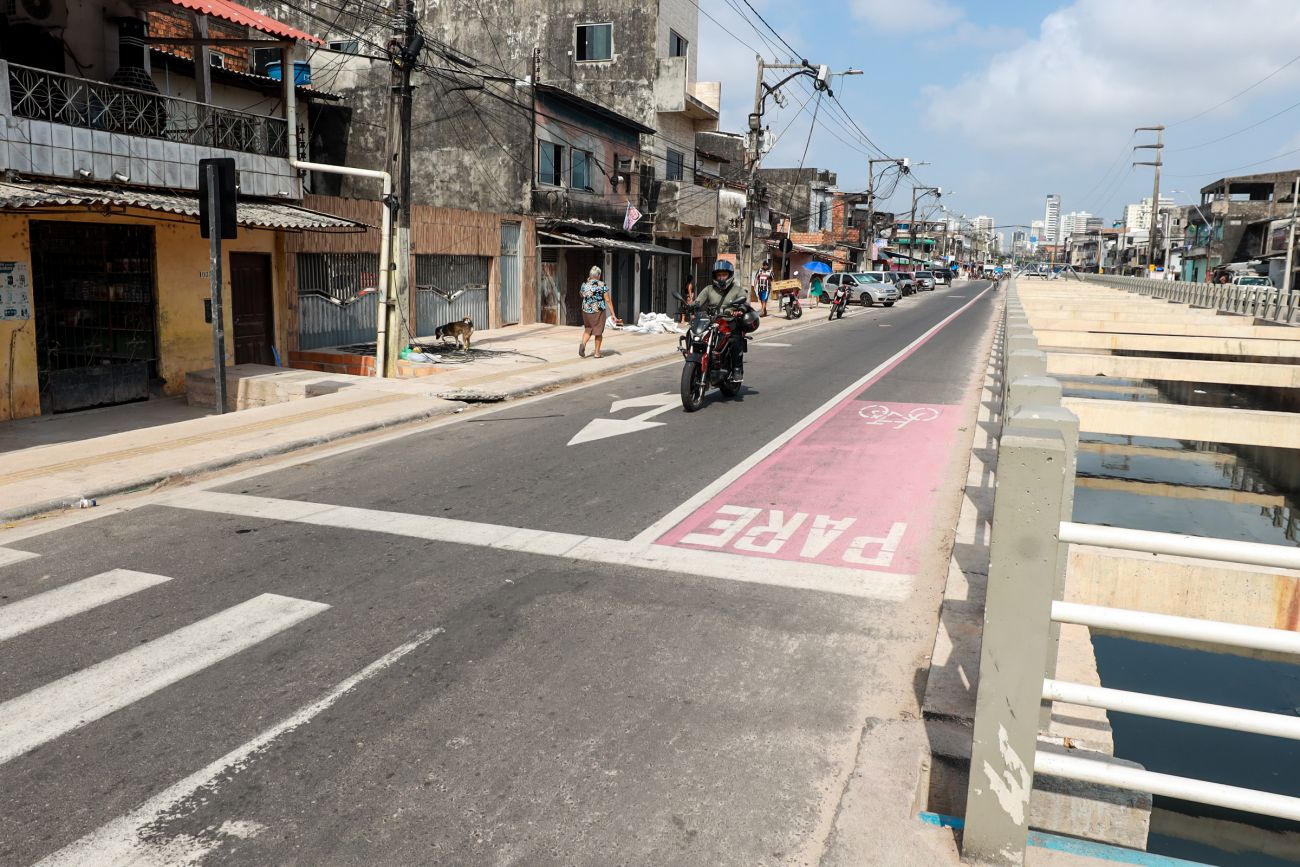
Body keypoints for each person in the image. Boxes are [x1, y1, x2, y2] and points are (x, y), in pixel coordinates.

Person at [693, 260, 749, 382]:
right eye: (719, 275)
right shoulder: (709, 289)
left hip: (729, 321)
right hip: (712, 321)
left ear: (730, 275)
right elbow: (698, 301)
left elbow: (745, 302)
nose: (721, 277)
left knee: (735, 339)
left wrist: (740, 310)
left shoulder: (737, 290)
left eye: (724, 274)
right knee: (696, 336)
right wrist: (691, 307)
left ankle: (737, 369)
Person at [578, 265, 617, 359]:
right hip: (598, 311)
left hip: (586, 311)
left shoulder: (585, 284)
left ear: (590, 275)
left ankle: (583, 343)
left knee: (588, 329)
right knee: (598, 332)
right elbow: (607, 300)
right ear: (599, 275)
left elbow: (581, 295)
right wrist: (613, 314)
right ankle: (597, 353)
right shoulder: (602, 285)